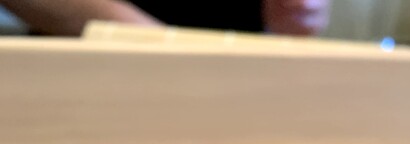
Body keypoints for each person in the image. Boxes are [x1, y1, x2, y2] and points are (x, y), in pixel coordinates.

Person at [1, 0, 331, 37]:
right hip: (89, 83)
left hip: (236, 86)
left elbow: (302, 15)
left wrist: (301, 13)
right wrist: (160, 45)